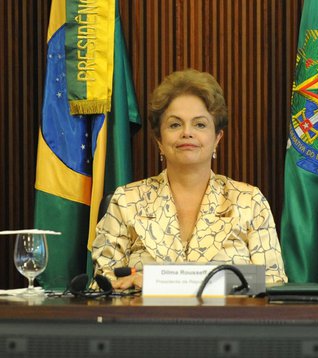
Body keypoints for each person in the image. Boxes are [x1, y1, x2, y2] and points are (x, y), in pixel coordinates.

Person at [92, 69, 287, 289]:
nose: (187, 133)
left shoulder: (249, 202)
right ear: (159, 140)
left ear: (217, 139)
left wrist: (159, 283)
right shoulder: (126, 201)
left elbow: (273, 286)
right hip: (145, 322)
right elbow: (102, 288)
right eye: (175, 124)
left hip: (231, 323)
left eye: (200, 124)